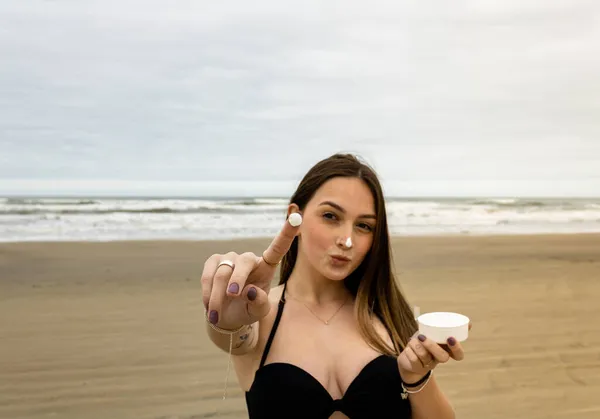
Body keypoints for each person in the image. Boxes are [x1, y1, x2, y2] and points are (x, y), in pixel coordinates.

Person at [201, 153, 469, 418]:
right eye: (331, 216)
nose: (347, 240)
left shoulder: (387, 315)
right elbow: (232, 335)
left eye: (363, 226)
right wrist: (225, 319)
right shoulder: (256, 312)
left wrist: (416, 378)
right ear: (296, 217)